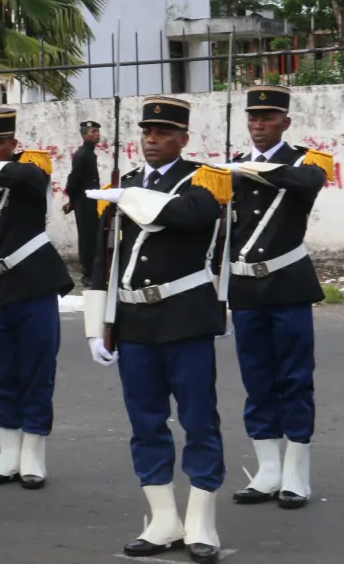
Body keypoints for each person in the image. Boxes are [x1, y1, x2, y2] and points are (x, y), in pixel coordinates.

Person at [85, 96, 232, 564]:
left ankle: (201, 520)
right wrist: (96, 325)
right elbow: (102, 261)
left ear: (183, 139)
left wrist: (129, 199)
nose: (151, 140)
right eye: (147, 132)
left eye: (164, 133)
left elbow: (190, 215)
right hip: (134, 322)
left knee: (198, 420)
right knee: (145, 422)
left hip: (184, 318)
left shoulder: (204, 180)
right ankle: (164, 518)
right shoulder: (124, 182)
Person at [224, 85, 331, 511]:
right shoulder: (231, 165)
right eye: (253, 118)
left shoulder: (307, 160)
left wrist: (252, 170)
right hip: (246, 286)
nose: (258, 125)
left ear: (285, 122)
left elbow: (306, 182)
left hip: (287, 283)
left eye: (267, 118)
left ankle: (296, 474)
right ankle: (267, 470)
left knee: (294, 377)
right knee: (257, 379)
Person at [0, 108, 72, 491]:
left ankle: (33, 453)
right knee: (0, 374)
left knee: (37, 372)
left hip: (32, 284)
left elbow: (29, 178)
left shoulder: (29, 168)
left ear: (12, 143)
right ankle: (8, 453)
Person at [64, 120, 102, 286]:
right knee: (87, 237)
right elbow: (73, 180)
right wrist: (72, 201)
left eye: (97, 132)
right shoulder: (82, 154)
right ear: (85, 135)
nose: (97, 135)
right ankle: (87, 274)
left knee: (92, 235)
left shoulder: (90, 153)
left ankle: (92, 271)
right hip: (83, 201)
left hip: (90, 200)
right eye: (93, 132)